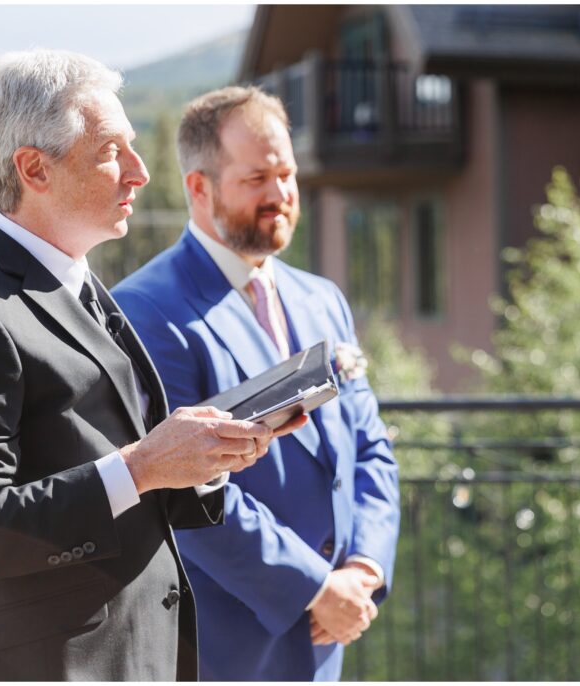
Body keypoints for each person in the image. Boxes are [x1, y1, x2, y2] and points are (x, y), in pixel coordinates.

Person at [0, 51, 306, 681]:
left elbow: (117, 471)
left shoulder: (81, 282)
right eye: (113, 151)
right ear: (34, 168)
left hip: (143, 654)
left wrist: (206, 461)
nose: (141, 173)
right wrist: (142, 467)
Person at [112, 86, 400, 680]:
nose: (281, 196)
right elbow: (180, 488)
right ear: (199, 187)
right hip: (225, 645)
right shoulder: (144, 311)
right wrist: (313, 586)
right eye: (256, 179)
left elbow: (369, 443)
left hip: (328, 638)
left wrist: (365, 568)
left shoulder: (323, 299)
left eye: (288, 174)